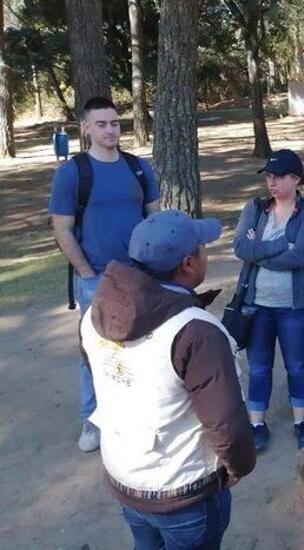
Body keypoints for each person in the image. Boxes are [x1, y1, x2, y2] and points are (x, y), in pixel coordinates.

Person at [79, 209, 256, 549]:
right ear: (189, 264)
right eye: (203, 248)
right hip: (183, 491)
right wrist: (236, 469)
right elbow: (227, 424)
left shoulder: (95, 313)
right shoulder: (195, 332)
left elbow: (98, 370)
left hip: (124, 475)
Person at [48, 96, 160, 452]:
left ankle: (139, 414)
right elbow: (62, 228)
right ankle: (92, 418)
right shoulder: (72, 173)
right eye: (101, 124)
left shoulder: (139, 168)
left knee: (142, 345)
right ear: (86, 128)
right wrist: (86, 272)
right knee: (96, 350)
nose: (110, 130)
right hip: (95, 277)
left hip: (139, 274)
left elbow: (154, 218)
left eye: (114, 123)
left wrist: (154, 266)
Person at [233, 149, 304, 451]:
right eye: (269, 177)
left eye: (278, 177)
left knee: (297, 365)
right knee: (259, 367)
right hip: (256, 305)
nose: (271, 183)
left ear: (295, 179)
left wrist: (261, 252)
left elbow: (300, 256)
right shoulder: (256, 208)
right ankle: (256, 424)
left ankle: (302, 421)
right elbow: (240, 247)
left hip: (293, 307)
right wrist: (283, 242)